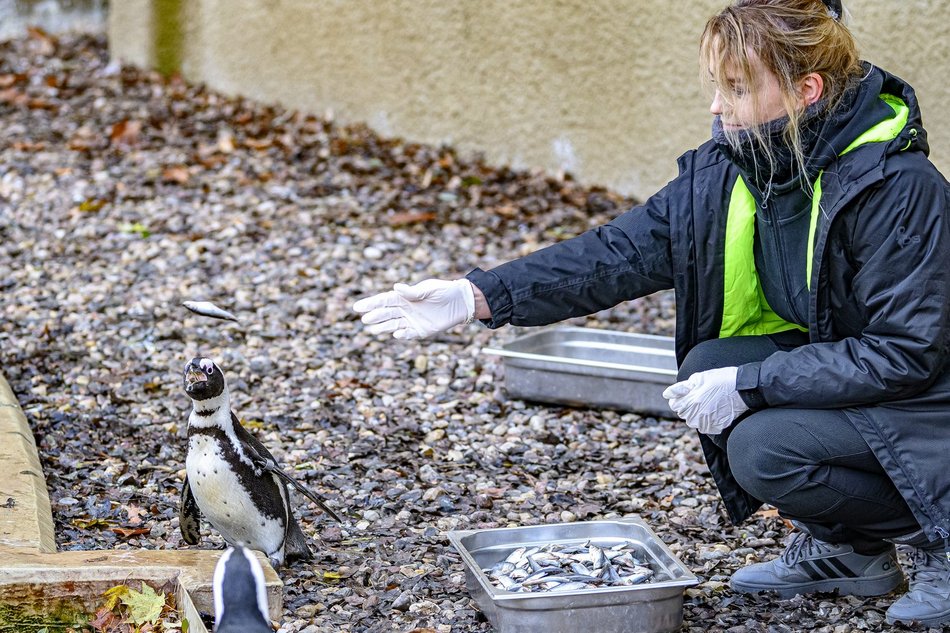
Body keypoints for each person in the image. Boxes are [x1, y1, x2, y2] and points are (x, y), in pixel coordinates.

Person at [353, 0, 950, 626]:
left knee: (763, 448)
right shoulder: (744, 165)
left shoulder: (898, 189)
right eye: (718, 87)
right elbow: (615, 255)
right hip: (872, 381)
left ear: (807, 90)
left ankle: (941, 536)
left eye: (737, 89)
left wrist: (753, 384)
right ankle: (851, 551)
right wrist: (475, 296)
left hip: (928, 399)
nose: (716, 107)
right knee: (709, 362)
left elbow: (905, 353)